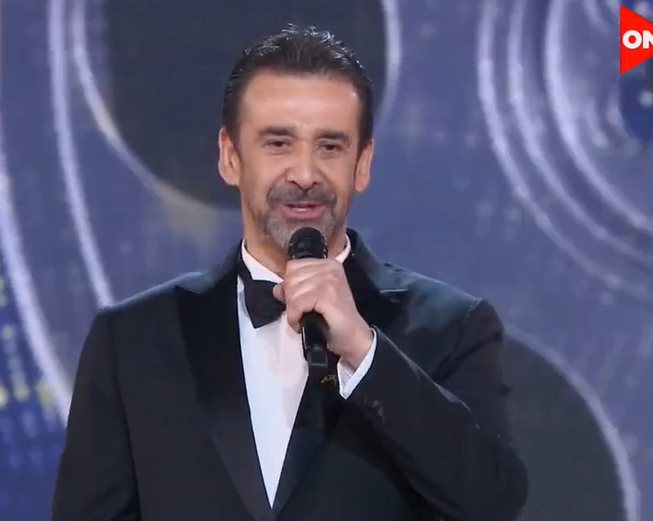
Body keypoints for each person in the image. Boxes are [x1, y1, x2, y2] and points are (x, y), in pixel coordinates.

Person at [51, 25, 528, 521]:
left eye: (330, 147)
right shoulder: (133, 340)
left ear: (363, 164)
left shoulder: (451, 328)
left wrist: (365, 352)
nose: (304, 173)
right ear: (230, 157)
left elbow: (493, 502)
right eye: (279, 143)